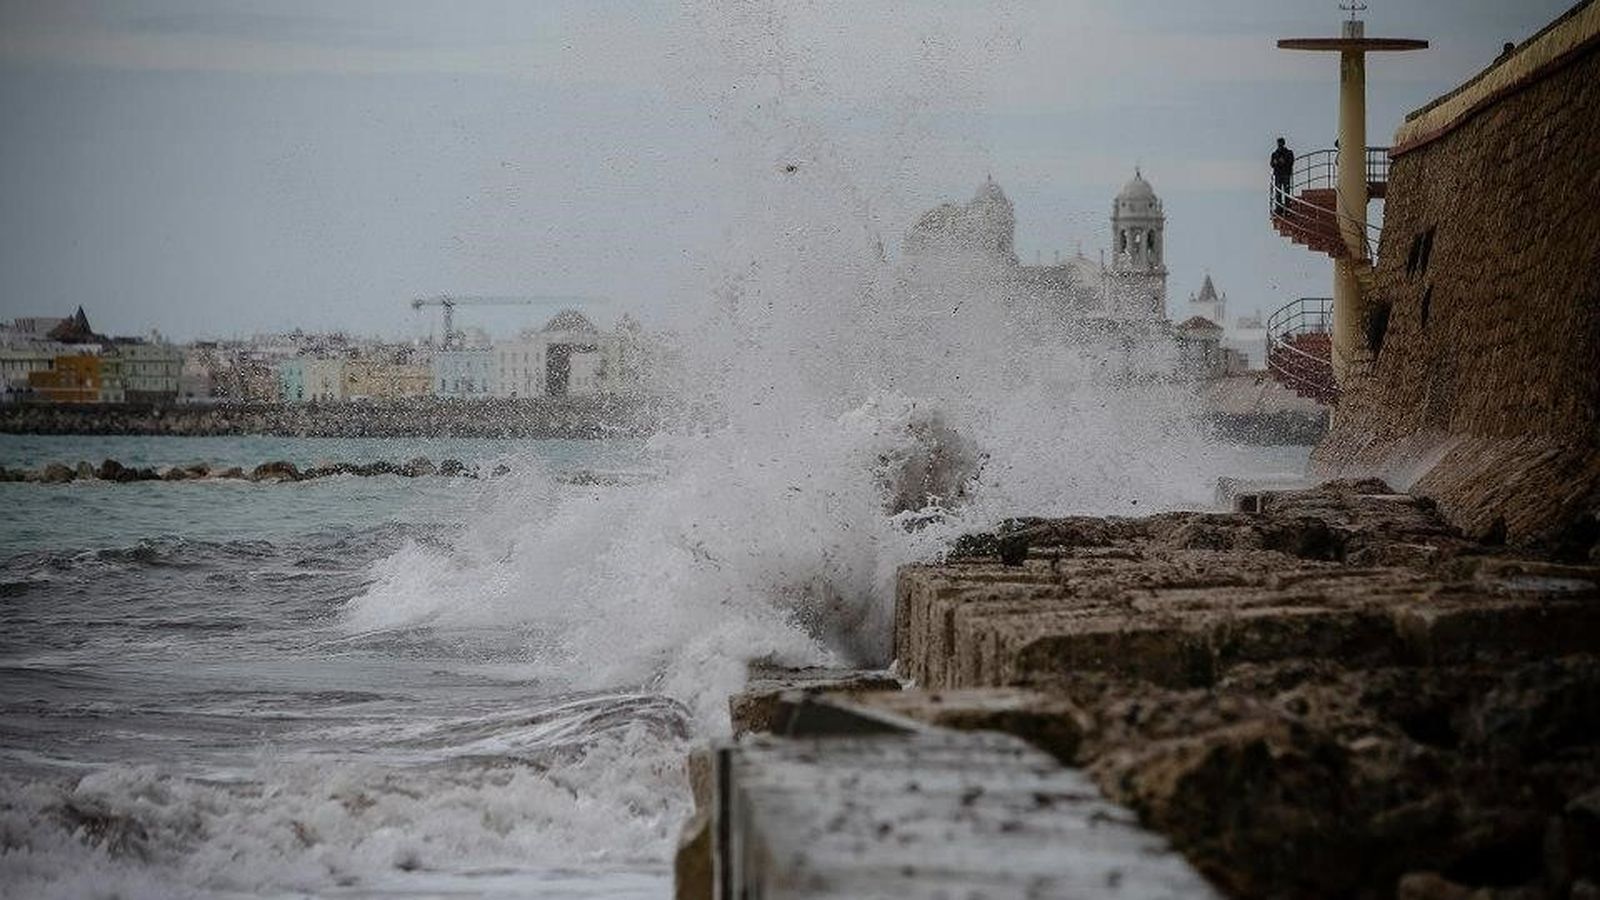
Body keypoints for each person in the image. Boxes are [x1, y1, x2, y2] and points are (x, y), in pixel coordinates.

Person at [1271, 138, 1295, 214]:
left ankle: (1287, 207)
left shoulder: (1288, 152)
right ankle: (1279, 208)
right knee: (1278, 192)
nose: (1279, 144)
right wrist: (1275, 163)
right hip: (1278, 174)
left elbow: (1291, 162)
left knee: (1286, 190)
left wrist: (1284, 162)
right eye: (1278, 143)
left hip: (1285, 173)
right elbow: (1271, 164)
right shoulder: (1274, 154)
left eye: (1280, 143)